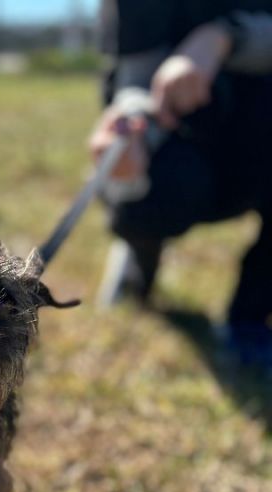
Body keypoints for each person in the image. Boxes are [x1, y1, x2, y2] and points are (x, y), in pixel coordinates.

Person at [90, 2, 272, 367]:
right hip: (181, 139)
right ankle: (139, 253)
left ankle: (251, 319)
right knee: (155, 192)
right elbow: (135, 82)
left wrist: (224, 37)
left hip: (259, 130)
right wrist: (129, 130)